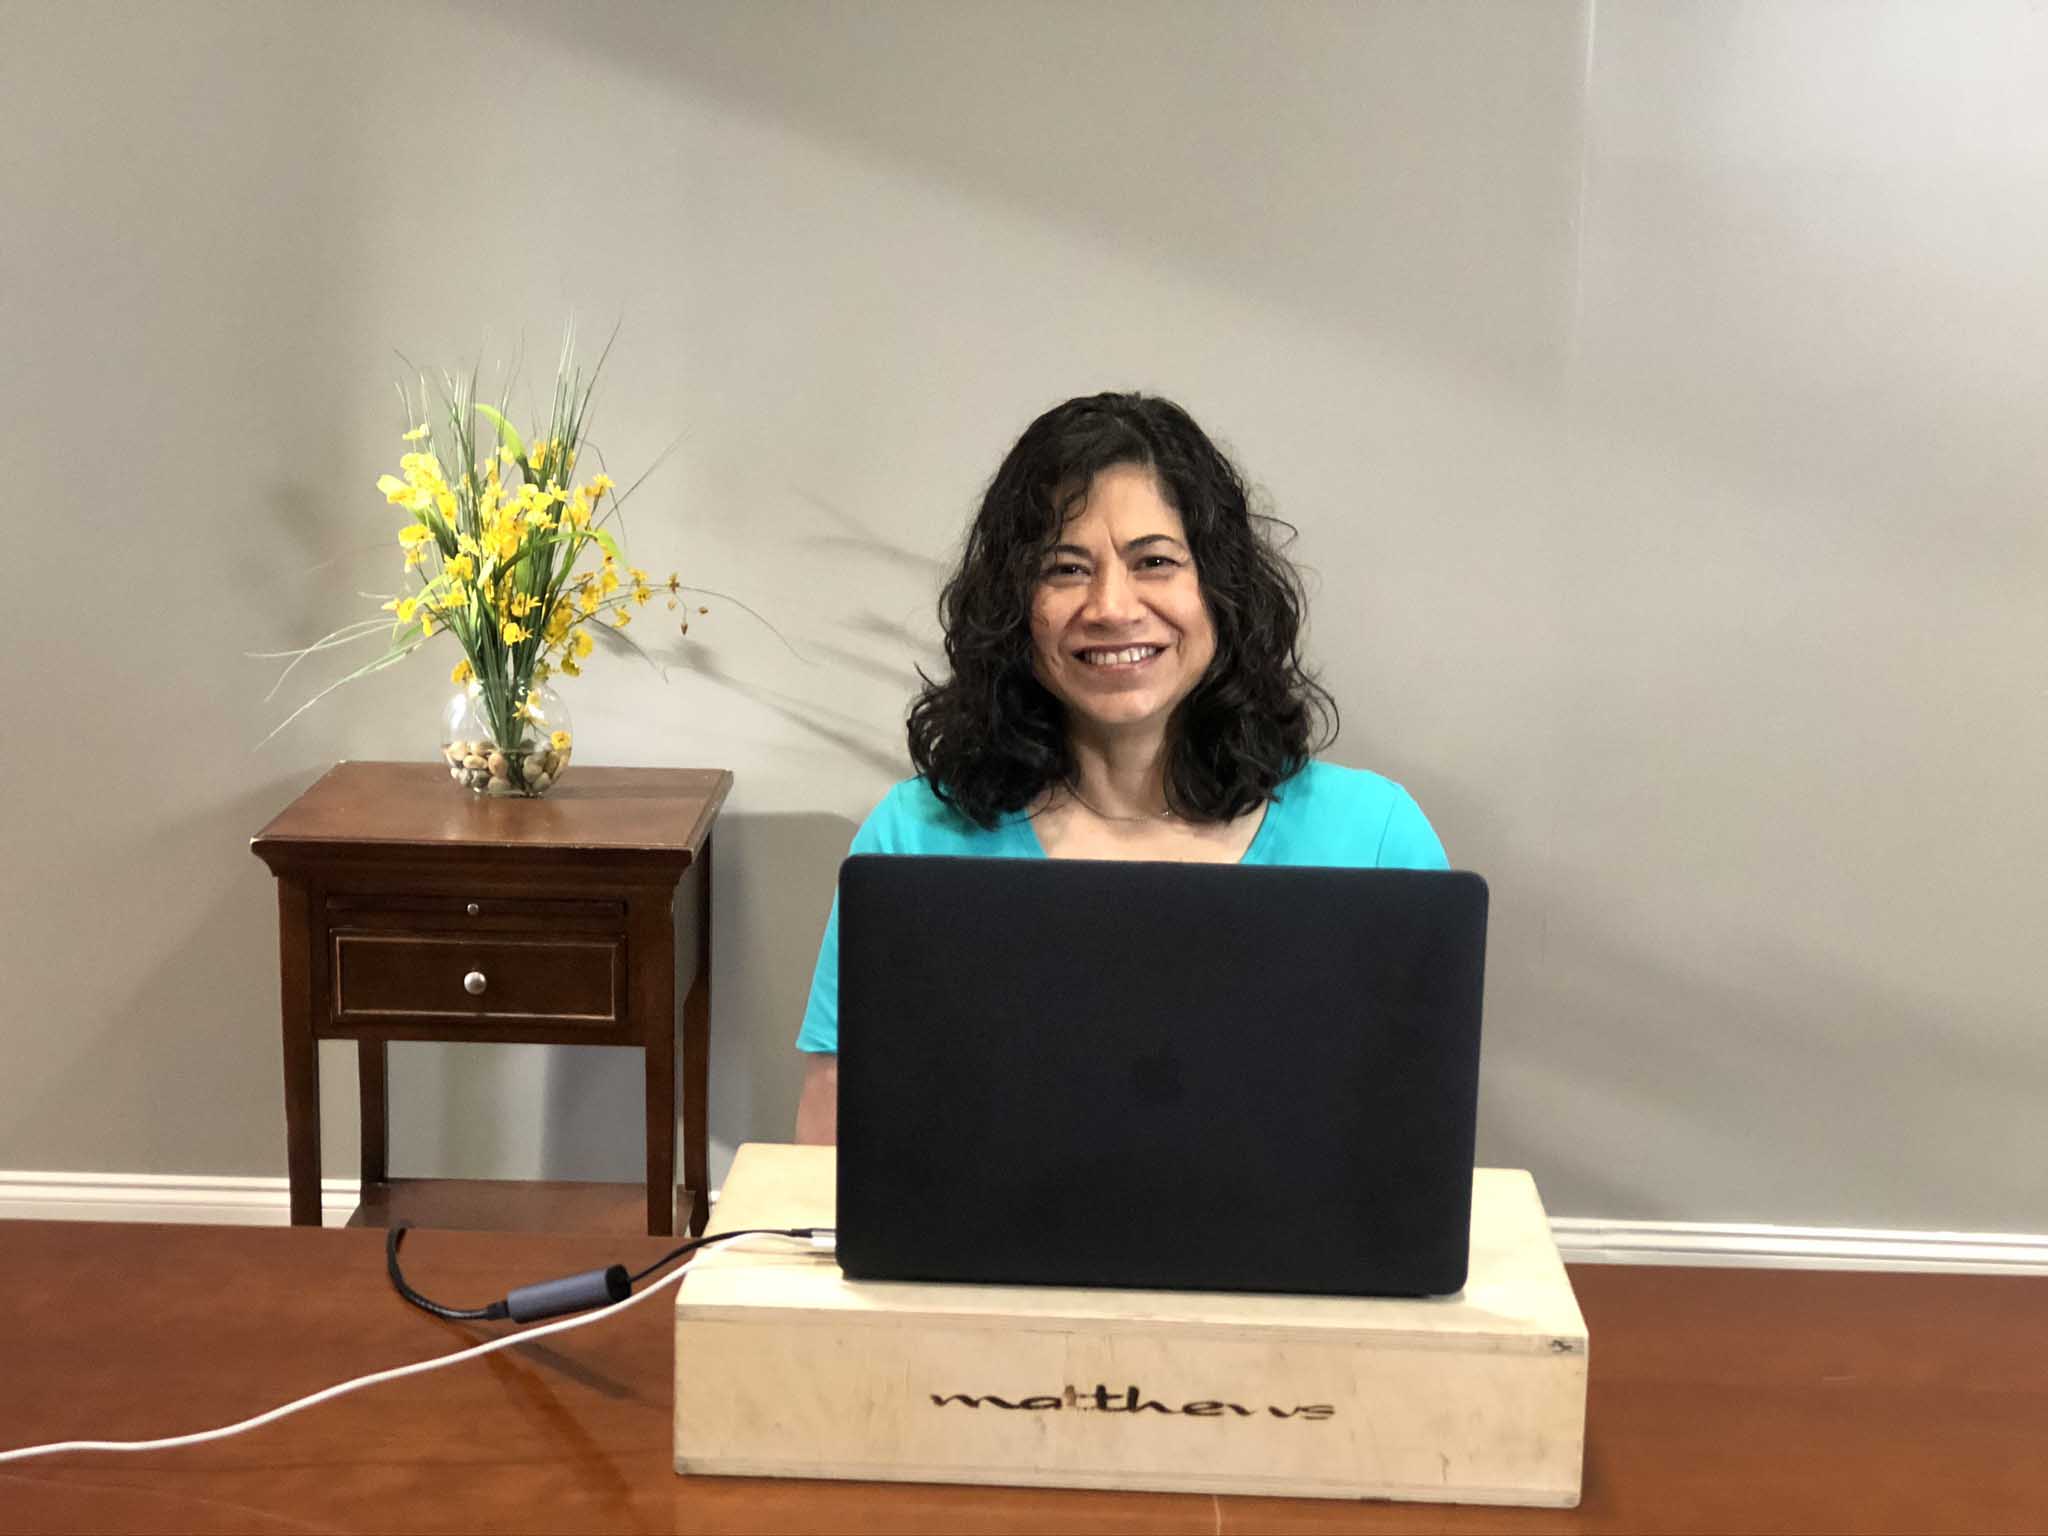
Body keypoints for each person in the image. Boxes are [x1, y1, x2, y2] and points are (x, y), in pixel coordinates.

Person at [793, 392, 1447, 1144]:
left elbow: (1417, 1141)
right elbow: (829, 1149)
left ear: (1222, 590)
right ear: (1014, 605)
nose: (1110, 606)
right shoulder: (913, 842)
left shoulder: (1376, 839)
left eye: (1155, 562)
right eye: (1065, 568)